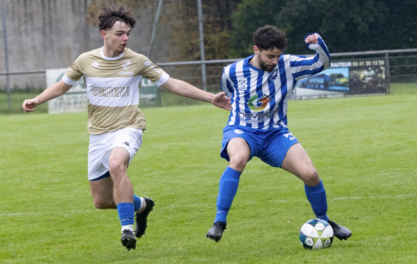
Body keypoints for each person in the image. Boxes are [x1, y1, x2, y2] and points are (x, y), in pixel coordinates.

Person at [22, 4, 231, 251]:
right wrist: (38, 99)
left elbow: (172, 84)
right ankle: (142, 205)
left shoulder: (137, 61)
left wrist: (210, 98)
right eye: (120, 33)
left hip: (129, 126)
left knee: (116, 164)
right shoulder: (85, 60)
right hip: (99, 134)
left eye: (128, 33)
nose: (125, 38)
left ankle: (126, 229)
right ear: (104, 33)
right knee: (101, 201)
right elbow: (62, 85)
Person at [206, 25, 351, 242]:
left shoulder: (288, 65)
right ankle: (219, 222)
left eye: (278, 56)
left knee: (310, 175)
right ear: (256, 49)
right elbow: (229, 92)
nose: (274, 61)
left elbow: (322, 63)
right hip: (242, 130)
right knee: (237, 159)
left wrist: (317, 44)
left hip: (276, 133)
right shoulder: (232, 71)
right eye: (270, 56)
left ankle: (324, 221)